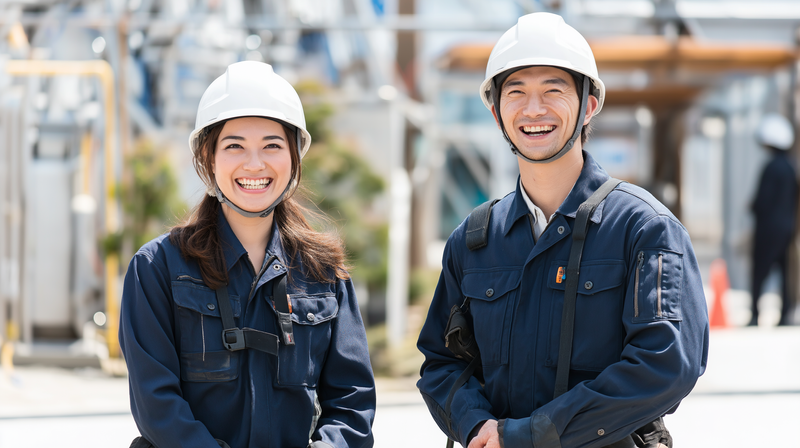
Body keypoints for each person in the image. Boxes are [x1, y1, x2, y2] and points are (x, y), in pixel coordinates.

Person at [417, 13, 709, 448]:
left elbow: (665, 365)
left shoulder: (643, 229)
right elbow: (441, 362)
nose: (533, 110)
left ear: (589, 105)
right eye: (516, 92)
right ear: (496, 111)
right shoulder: (474, 240)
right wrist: (477, 426)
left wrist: (528, 437)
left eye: (553, 90)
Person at [119, 61, 376, 448]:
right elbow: (156, 405)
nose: (254, 164)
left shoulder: (324, 273)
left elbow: (352, 404)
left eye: (272, 145)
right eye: (234, 145)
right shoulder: (156, 269)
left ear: (294, 158)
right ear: (209, 159)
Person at [749, 113, 799, 326]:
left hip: (768, 228)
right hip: (787, 228)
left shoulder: (771, 167)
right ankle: (785, 313)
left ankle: (755, 315)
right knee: (785, 271)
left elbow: (762, 201)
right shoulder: (790, 167)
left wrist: (752, 206)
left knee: (760, 271)